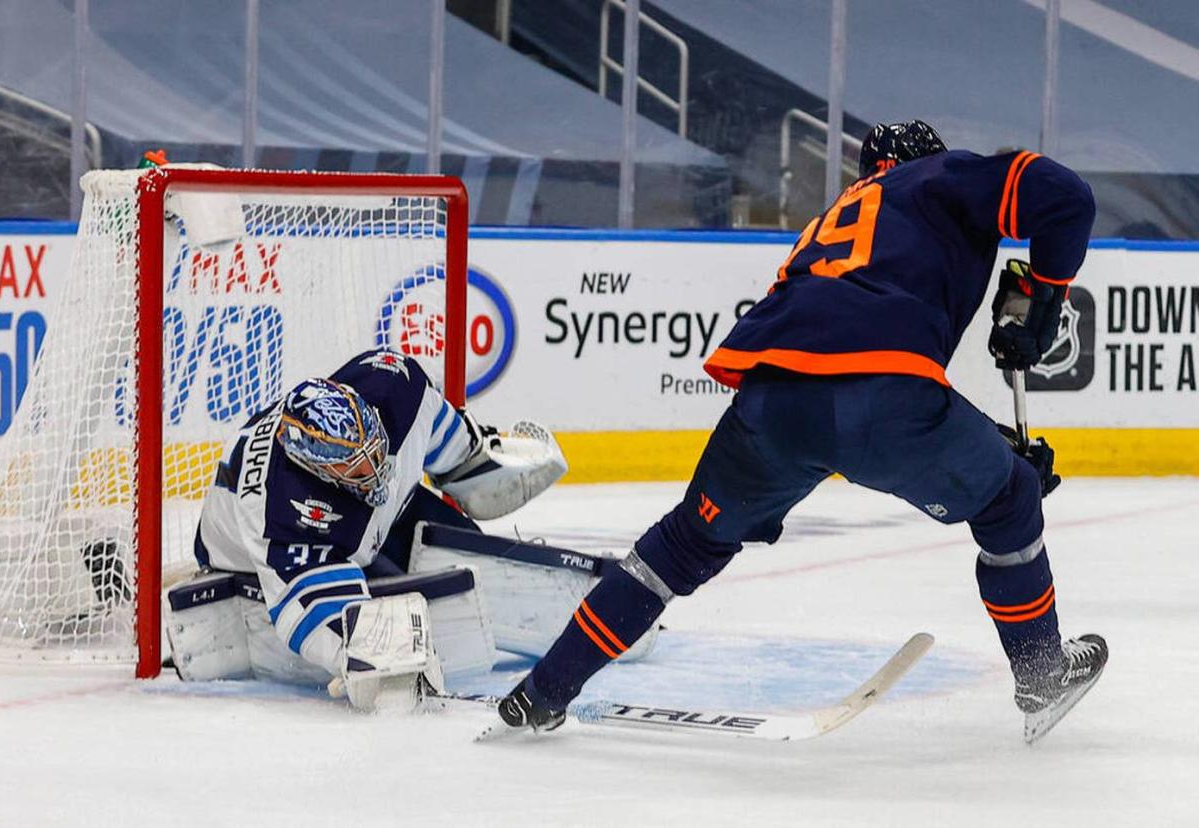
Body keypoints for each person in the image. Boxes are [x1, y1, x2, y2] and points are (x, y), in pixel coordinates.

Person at [497, 121, 1108, 740]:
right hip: (885, 400)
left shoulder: (837, 215)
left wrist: (981, 443)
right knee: (1010, 499)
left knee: (682, 546)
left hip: (774, 402)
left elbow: (844, 363)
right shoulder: (941, 176)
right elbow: (1067, 198)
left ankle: (542, 691)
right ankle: (1040, 672)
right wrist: (1048, 293)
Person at [165, 348, 567, 712]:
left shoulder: (394, 385)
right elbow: (315, 616)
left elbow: (442, 435)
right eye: (357, 469)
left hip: (355, 518)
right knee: (382, 602)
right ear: (319, 470)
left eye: (374, 451)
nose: (375, 471)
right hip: (248, 560)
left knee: (446, 534)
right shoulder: (281, 515)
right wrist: (370, 658)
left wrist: (482, 466)